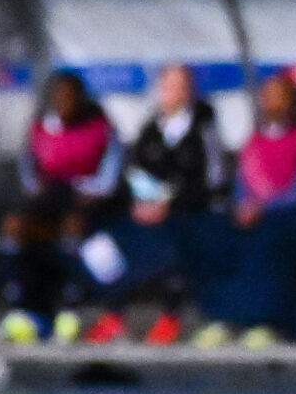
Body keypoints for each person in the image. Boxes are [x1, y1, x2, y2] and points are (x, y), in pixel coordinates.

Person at [81, 62, 224, 344]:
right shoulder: (150, 128)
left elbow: (214, 180)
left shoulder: (203, 128)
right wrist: (140, 202)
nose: (175, 92)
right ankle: (114, 314)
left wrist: (170, 202)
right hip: (146, 211)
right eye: (169, 86)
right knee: (101, 244)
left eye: (181, 86)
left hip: (187, 212)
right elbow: (135, 172)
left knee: (176, 246)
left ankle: (170, 316)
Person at [191, 69, 296, 347]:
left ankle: (266, 321)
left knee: (268, 245)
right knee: (214, 235)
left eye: (279, 97)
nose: (272, 104)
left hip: (290, 219)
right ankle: (223, 318)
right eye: (267, 97)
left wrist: (265, 207)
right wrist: (243, 206)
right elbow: (243, 182)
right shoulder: (253, 143)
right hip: (251, 216)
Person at [0, 68, 121, 342]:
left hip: (85, 197)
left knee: (72, 226)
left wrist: (90, 191)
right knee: (14, 225)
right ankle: (18, 303)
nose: (64, 103)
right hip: (49, 195)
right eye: (58, 97)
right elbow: (28, 169)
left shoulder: (100, 127)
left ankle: (70, 305)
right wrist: (34, 189)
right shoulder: (40, 127)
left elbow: (109, 176)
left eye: (70, 97)